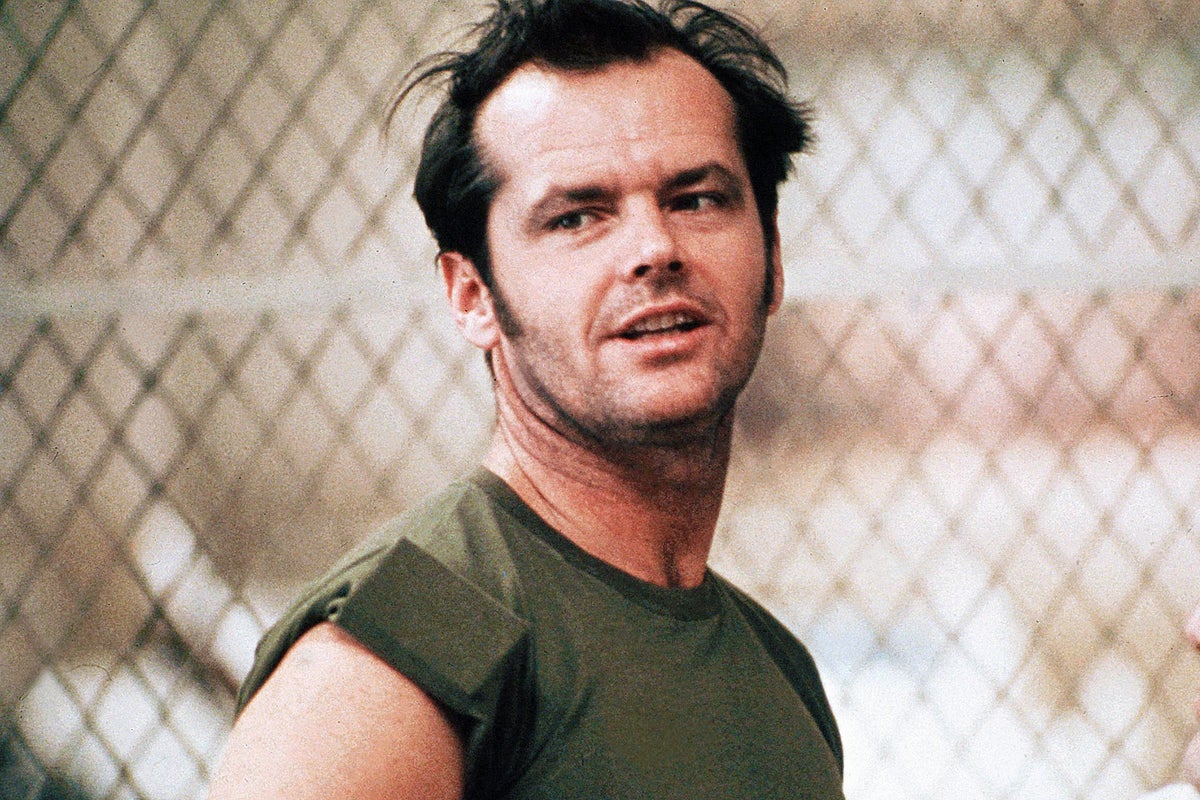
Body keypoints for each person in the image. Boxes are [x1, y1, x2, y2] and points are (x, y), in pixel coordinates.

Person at [207, 1, 843, 798]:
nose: (655, 249)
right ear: (472, 295)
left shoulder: (778, 670)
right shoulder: (408, 646)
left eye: (697, 199)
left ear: (773, 258)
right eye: (576, 217)